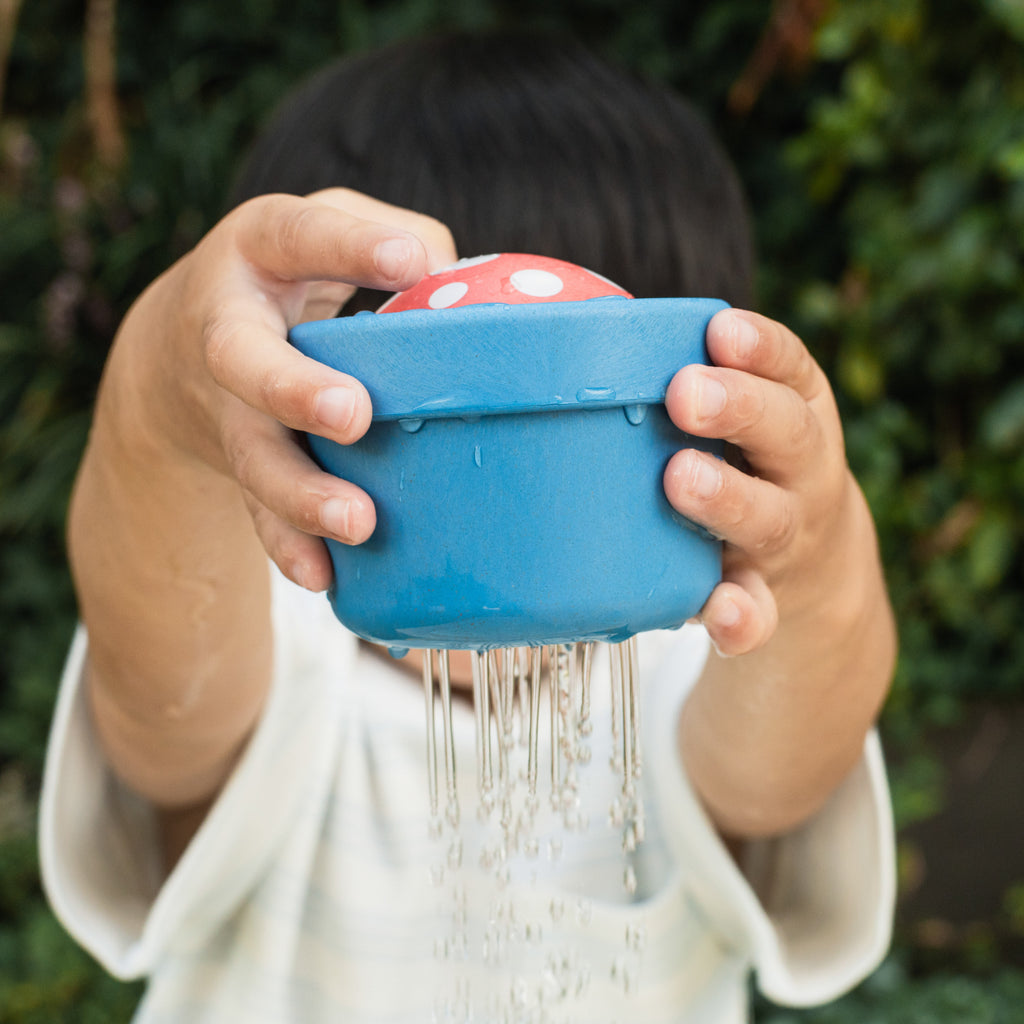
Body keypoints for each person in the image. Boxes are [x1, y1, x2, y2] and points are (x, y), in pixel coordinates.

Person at [39, 29, 897, 1023]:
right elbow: (164, 696)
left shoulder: (681, 662)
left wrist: (814, 562)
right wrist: (164, 393)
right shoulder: (282, 641)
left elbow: (782, 772)